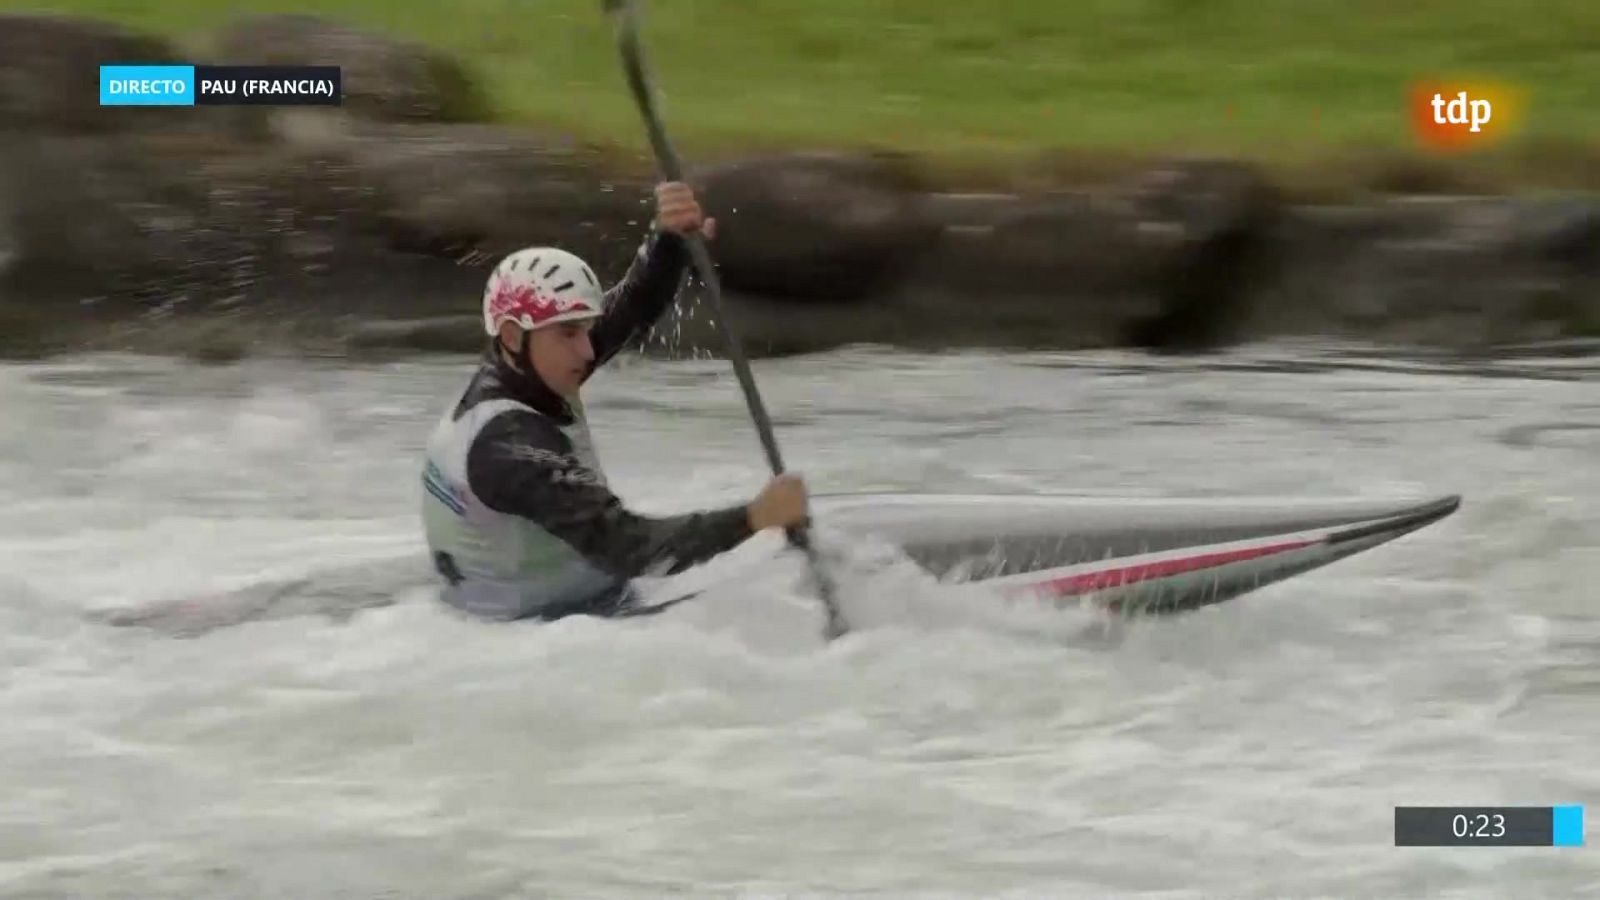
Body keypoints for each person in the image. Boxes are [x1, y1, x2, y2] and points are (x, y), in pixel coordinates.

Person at [419, 181, 811, 621]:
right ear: (512, 334)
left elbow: (632, 306)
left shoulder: (526, 371)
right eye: (569, 334)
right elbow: (628, 548)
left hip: (549, 617)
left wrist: (668, 238)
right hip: (540, 637)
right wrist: (755, 517)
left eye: (585, 330)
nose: (588, 352)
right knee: (767, 610)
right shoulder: (510, 449)